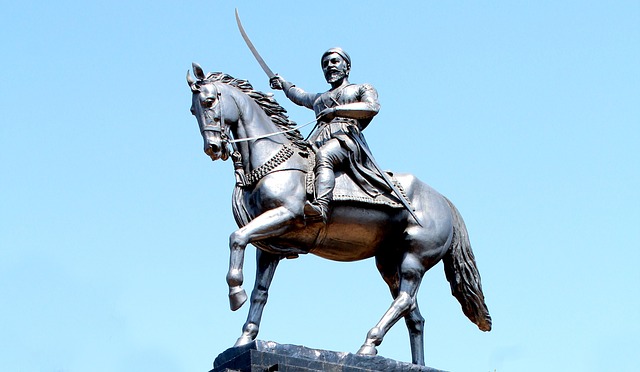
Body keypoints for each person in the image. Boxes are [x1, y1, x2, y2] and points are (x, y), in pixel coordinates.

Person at [270, 47, 390, 222]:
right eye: (325, 64)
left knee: (324, 155)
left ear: (347, 67)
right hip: (316, 139)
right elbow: (299, 95)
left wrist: (336, 111)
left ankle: (321, 207)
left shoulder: (360, 88)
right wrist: (283, 84)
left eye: (334, 61)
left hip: (345, 139)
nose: (329, 66)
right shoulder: (320, 98)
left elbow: (372, 107)